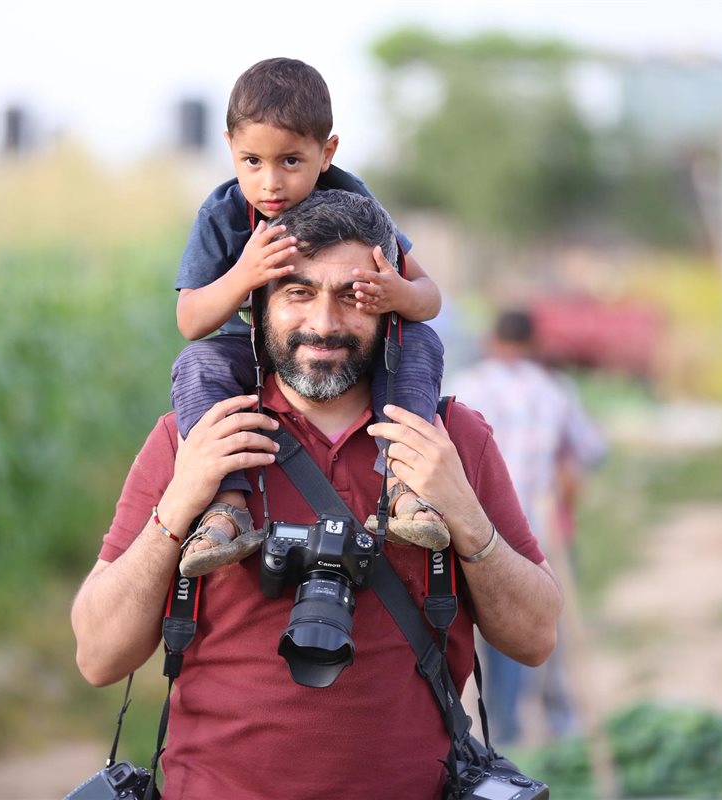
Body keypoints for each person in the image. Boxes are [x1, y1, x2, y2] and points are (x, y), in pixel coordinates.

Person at [72, 191, 563, 799]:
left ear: (390, 308)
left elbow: (535, 639)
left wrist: (460, 508)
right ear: (257, 305)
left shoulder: (449, 439)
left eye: (353, 296)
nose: (324, 324)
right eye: (298, 292)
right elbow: (98, 656)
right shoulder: (193, 439)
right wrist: (179, 504)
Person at [170, 57, 447, 577]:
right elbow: (190, 320)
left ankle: (406, 489)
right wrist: (244, 274)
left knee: (420, 343)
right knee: (198, 364)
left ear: (327, 153)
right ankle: (226, 509)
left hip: (346, 346)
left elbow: (429, 297)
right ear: (230, 147)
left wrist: (397, 293)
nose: (270, 182)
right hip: (253, 351)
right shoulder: (223, 215)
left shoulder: (351, 198)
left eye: (291, 161)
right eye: (252, 161)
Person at [447, 309, 607, 745]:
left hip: (472, 530)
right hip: (534, 530)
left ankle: (492, 734)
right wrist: (565, 465)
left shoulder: (467, 387)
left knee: (478, 632)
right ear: (533, 344)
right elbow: (593, 449)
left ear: (492, 341)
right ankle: (534, 729)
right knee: (529, 628)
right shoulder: (553, 390)